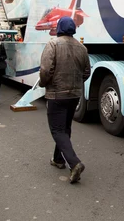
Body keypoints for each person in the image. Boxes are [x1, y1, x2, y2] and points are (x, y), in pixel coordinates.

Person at [39, 16, 90, 184]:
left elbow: (46, 70)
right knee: (65, 128)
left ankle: (74, 163)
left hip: (56, 94)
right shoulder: (82, 48)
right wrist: (75, 83)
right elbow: (86, 72)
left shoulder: (52, 45)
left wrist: (43, 83)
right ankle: (58, 159)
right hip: (74, 95)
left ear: (59, 28)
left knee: (57, 130)